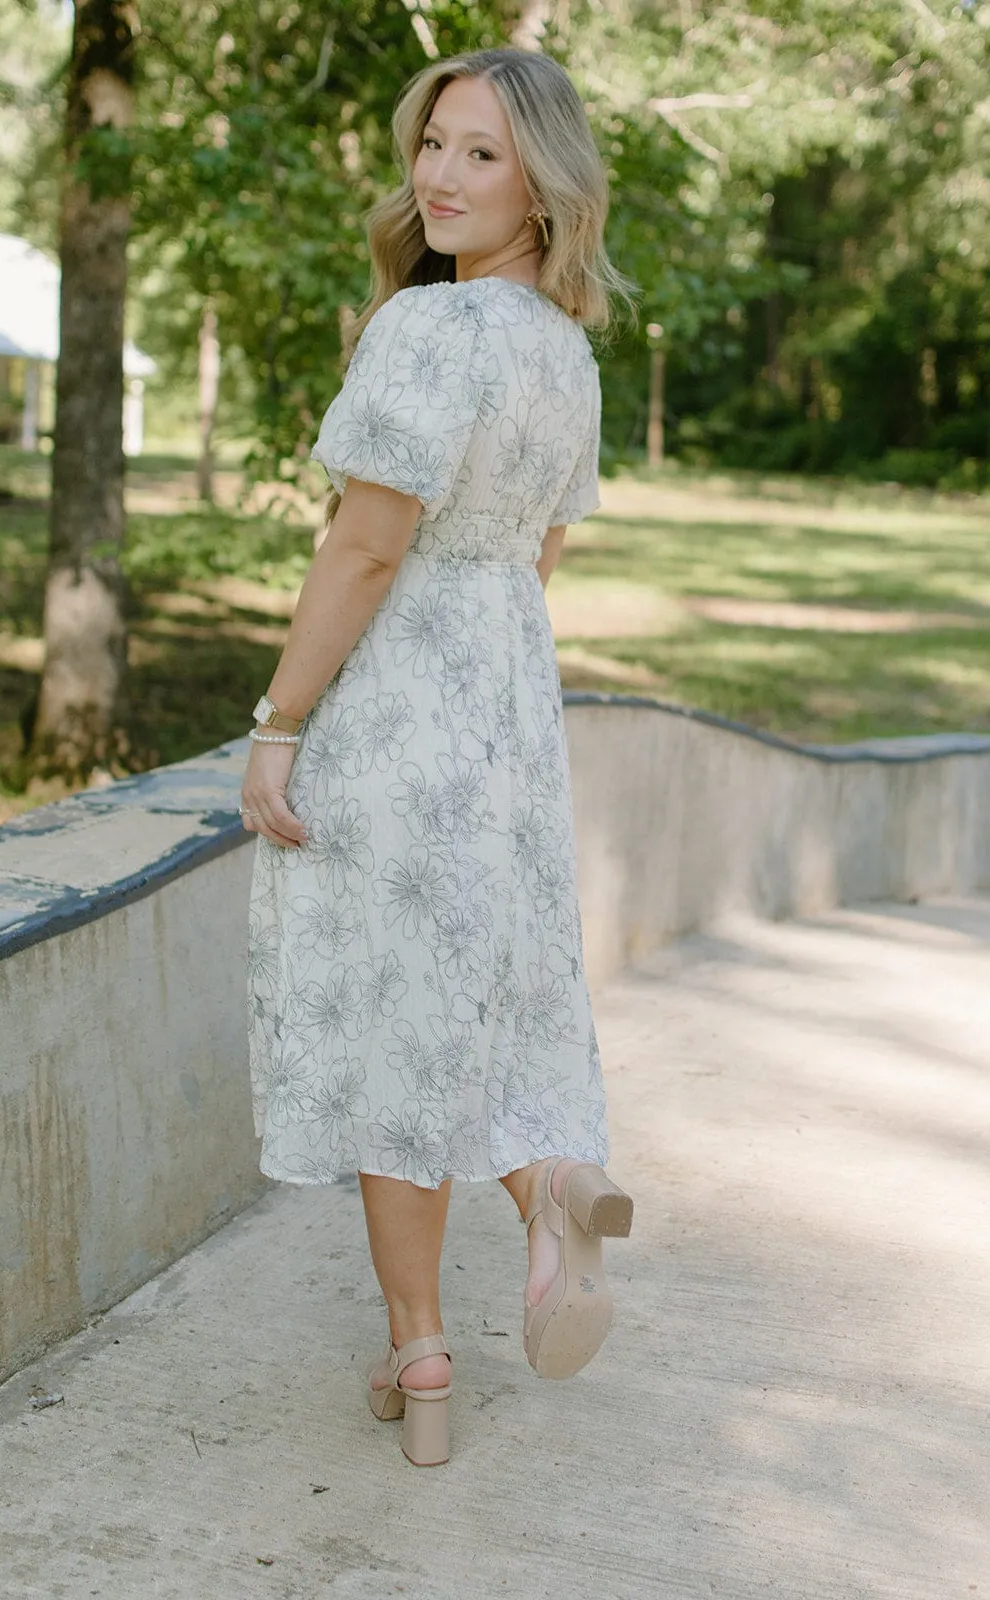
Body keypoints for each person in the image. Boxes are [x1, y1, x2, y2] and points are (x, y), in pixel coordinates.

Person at [240, 45, 635, 1469]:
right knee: (467, 1009)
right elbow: (539, 551)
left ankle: (425, 1357)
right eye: (432, 145)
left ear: (543, 179)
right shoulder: (565, 351)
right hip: (507, 714)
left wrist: (280, 723)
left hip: (404, 703)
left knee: (386, 1030)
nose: (441, 177)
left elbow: (365, 542)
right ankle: (548, 1189)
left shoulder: (424, 332)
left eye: (479, 152)